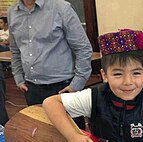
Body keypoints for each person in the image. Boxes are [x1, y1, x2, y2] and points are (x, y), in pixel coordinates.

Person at [7, 0, 93, 129]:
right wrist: (19, 78)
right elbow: (15, 50)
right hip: (31, 88)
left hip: (62, 88)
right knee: (40, 134)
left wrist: (76, 84)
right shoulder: (12, 12)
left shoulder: (61, 7)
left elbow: (83, 48)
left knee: (73, 137)